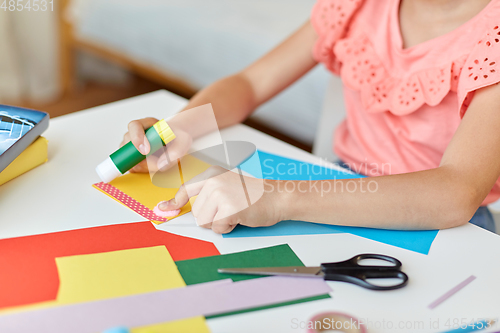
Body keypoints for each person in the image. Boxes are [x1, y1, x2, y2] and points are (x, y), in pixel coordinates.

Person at [121, 0, 500, 234]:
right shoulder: (358, 4)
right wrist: (177, 128)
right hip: (335, 182)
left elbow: (455, 193)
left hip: (447, 226)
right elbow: (250, 84)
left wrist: (279, 196)